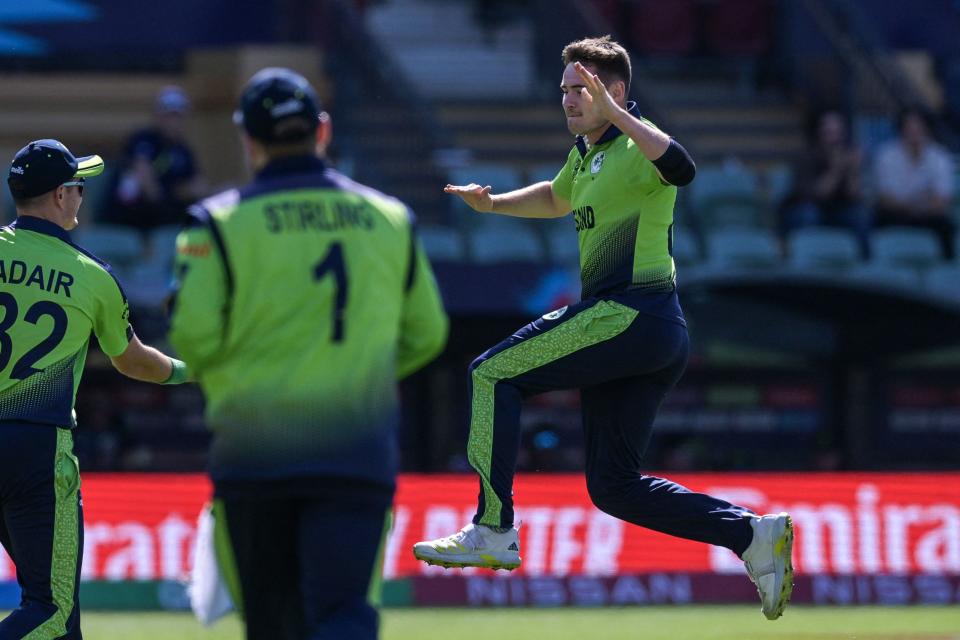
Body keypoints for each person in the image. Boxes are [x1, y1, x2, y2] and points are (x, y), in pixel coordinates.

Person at [413, 35, 794, 621]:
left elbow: (683, 168)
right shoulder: (586, 153)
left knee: (490, 373)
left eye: (580, 89)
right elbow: (555, 198)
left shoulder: (636, 145)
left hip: (630, 314)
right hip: (647, 331)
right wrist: (493, 205)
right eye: (563, 89)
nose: (567, 99)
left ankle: (492, 528)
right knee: (613, 487)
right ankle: (750, 536)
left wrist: (618, 115)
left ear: (613, 92)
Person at [167, 68, 448, 640]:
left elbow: (193, 341)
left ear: (248, 139)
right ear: (322, 130)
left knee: (273, 626)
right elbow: (428, 333)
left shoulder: (216, 223)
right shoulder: (390, 217)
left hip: (253, 456)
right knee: (344, 617)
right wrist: (356, 371)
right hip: (356, 453)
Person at [0, 139, 190, 639]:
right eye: (77, 186)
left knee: (65, 625)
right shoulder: (92, 276)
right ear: (60, 196)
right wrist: (194, 371)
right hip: (37, 450)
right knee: (52, 612)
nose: (82, 196)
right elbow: (134, 362)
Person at [104, 85, 206, 232]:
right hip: (126, 218)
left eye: (178, 116)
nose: (173, 122)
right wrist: (174, 194)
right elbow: (149, 187)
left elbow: (197, 186)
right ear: (157, 115)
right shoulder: (143, 139)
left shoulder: (183, 150)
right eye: (168, 115)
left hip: (165, 219)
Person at [780, 109, 870, 256]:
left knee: (859, 215)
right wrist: (836, 170)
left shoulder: (846, 155)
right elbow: (817, 195)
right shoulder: (805, 156)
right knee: (809, 214)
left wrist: (853, 171)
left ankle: (864, 264)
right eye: (829, 132)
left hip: (835, 211)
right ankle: (808, 258)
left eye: (838, 132)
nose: (834, 138)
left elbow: (854, 195)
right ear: (819, 132)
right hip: (803, 208)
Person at [873, 107, 956, 258]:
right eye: (909, 126)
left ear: (927, 129)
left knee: (946, 226)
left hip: (927, 215)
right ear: (901, 129)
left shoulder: (940, 157)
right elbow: (885, 198)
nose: (914, 131)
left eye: (919, 126)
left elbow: (942, 201)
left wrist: (917, 206)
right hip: (896, 215)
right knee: (874, 220)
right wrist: (918, 202)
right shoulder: (886, 155)